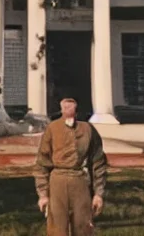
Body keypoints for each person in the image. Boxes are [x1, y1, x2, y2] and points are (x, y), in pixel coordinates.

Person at [34, 95, 107, 235]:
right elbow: (42, 163)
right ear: (60, 108)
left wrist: (98, 193)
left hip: (80, 180)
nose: (68, 106)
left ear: (77, 107)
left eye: (71, 103)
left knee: (83, 226)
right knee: (56, 228)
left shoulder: (88, 129)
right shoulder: (52, 128)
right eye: (65, 104)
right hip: (57, 182)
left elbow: (98, 162)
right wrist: (43, 194)